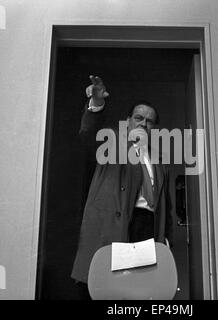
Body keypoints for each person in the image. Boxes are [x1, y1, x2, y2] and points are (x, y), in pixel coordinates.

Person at [71, 76, 173, 298]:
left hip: (147, 227)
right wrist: (96, 104)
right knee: (108, 289)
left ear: (154, 127)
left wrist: (165, 238)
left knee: (139, 291)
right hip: (115, 226)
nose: (143, 124)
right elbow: (89, 133)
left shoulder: (160, 159)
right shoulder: (113, 142)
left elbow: (166, 205)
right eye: (138, 118)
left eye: (149, 121)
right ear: (128, 121)